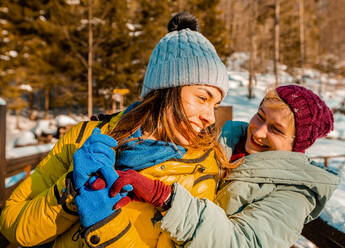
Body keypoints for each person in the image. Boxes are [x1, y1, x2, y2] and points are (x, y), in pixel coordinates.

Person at [0, 12, 231, 248]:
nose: (210, 118)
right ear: (166, 90)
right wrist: (69, 190)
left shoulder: (203, 167)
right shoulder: (85, 136)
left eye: (215, 104)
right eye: (203, 98)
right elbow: (14, 226)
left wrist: (105, 223)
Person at [107, 85, 341, 248]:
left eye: (276, 129)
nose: (258, 132)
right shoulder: (218, 136)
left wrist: (166, 197)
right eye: (260, 116)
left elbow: (241, 243)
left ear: (297, 144)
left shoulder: (295, 194)